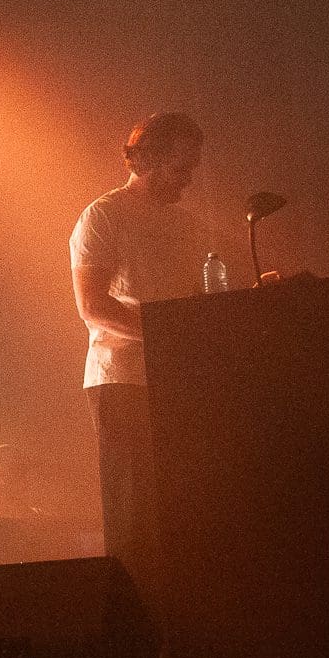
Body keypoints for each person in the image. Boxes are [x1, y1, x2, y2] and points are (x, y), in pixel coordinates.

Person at [69, 112, 211, 589]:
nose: (189, 178)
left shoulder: (188, 225)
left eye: (193, 167)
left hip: (178, 383)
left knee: (181, 510)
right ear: (147, 160)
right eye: (181, 167)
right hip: (121, 382)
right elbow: (92, 307)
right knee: (134, 515)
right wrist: (170, 337)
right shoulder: (104, 216)